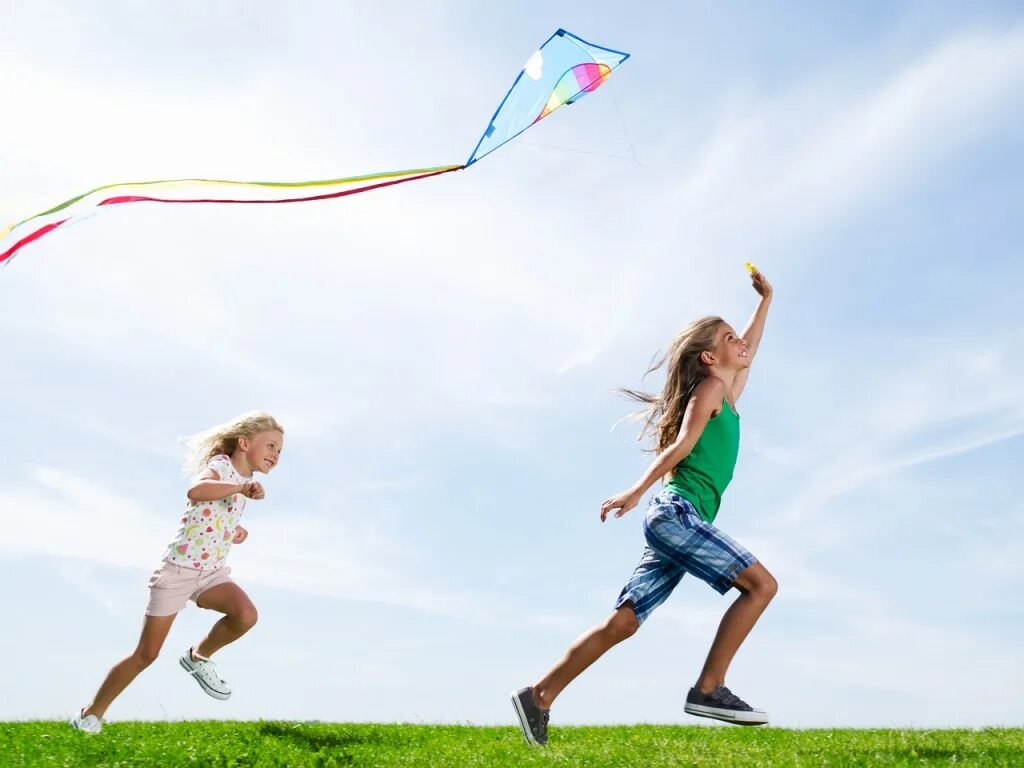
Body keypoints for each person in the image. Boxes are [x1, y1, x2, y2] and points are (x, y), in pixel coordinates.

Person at [513, 270, 776, 745]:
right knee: (761, 585)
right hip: (676, 515)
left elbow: (749, 350)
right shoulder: (712, 389)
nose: (743, 343)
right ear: (710, 357)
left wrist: (766, 301)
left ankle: (539, 696)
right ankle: (708, 689)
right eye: (730, 338)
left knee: (625, 622)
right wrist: (635, 492)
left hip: (677, 522)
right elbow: (679, 446)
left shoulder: (728, 393)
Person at [70, 412, 284, 734]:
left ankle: (198, 657)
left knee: (245, 615)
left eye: (279, 451)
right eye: (270, 446)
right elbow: (197, 491)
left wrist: (235, 530)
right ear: (243, 442)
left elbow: (211, 518)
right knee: (146, 654)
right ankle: (89, 715)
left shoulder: (241, 487)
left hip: (211, 575)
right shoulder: (222, 467)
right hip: (177, 573)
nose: (275, 455)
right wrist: (240, 487)